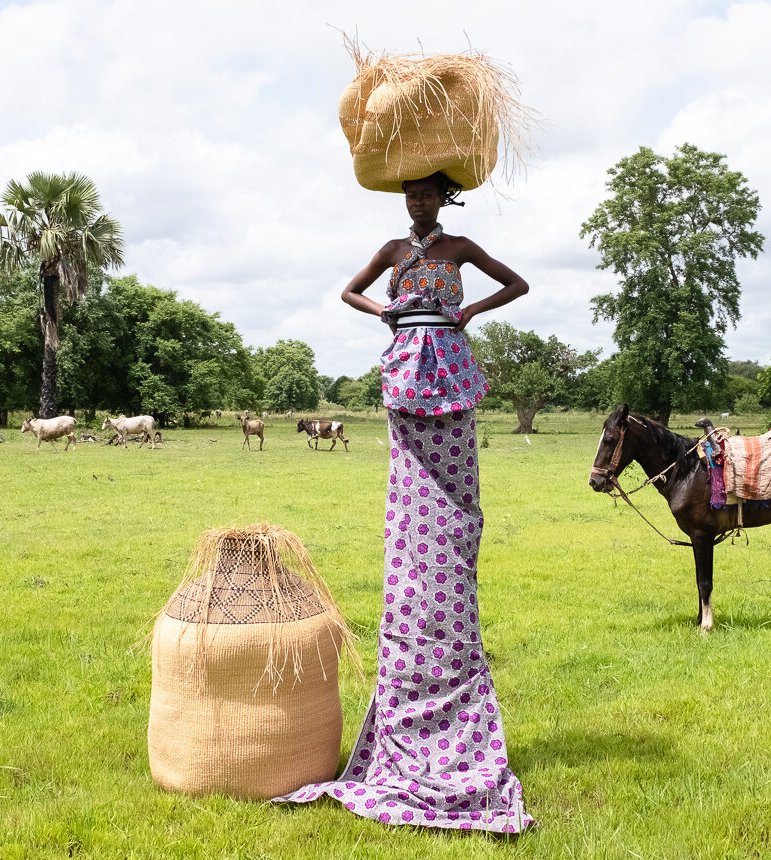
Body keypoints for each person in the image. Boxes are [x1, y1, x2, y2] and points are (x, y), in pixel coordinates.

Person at [274, 171, 533, 832]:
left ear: (442, 201)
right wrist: (385, 311)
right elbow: (349, 292)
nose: (418, 205)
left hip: (448, 357)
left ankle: (452, 541)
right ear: (404, 203)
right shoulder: (392, 250)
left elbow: (518, 283)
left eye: (427, 197)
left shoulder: (460, 248)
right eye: (411, 197)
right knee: (410, 490)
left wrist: (470, 312)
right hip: (404, 361)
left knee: (457, 497)